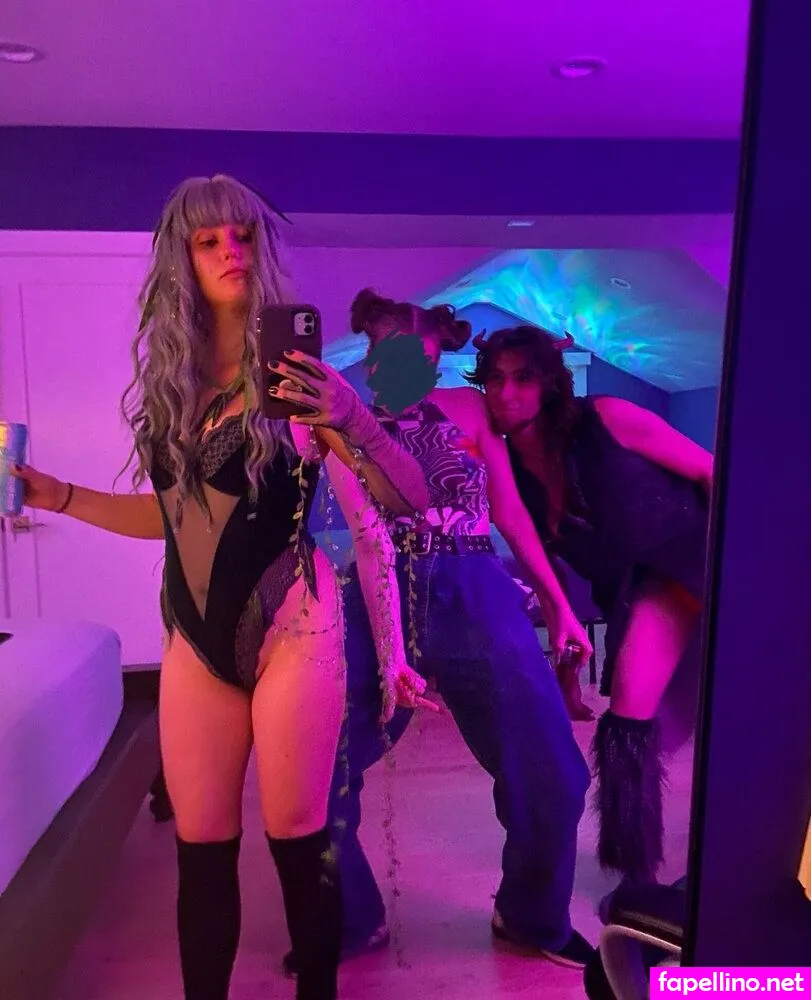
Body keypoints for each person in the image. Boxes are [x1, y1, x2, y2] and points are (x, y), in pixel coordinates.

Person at [11, 175, 432, 1000]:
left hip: (294, 627)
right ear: (184, 260)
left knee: (297, 839)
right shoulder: (171, 387)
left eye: (241, 234)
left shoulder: (301, 380)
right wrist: (57, 495)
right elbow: (173, 521)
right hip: (194, 637)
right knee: (200, 850)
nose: (230, 251)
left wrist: (351, 416)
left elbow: (408, 498)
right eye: (208, 241)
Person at [281, 288, 596, 974]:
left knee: (552, 768)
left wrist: (558, 604)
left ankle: (531, 914)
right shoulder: (333, 416)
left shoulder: (467, 409)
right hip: (373, 590)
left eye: (424, 359)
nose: (410, 371)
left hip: (474, 585)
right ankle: (347, 918)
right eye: (394, 356)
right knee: (314, 764)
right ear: (370, 356)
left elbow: (508, 512)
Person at [468, 324, 711, 918]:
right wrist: (567, 669)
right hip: (644, 588)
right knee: (628, 723)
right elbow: (546, 576)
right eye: (495, 379)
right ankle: (637, 881)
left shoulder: (607, 418)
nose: (506, 393)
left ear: (550, 383)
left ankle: (747, 870)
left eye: (523, 378)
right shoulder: (509, 474)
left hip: (703, 556)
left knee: (750, 719)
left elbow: (712, 472)